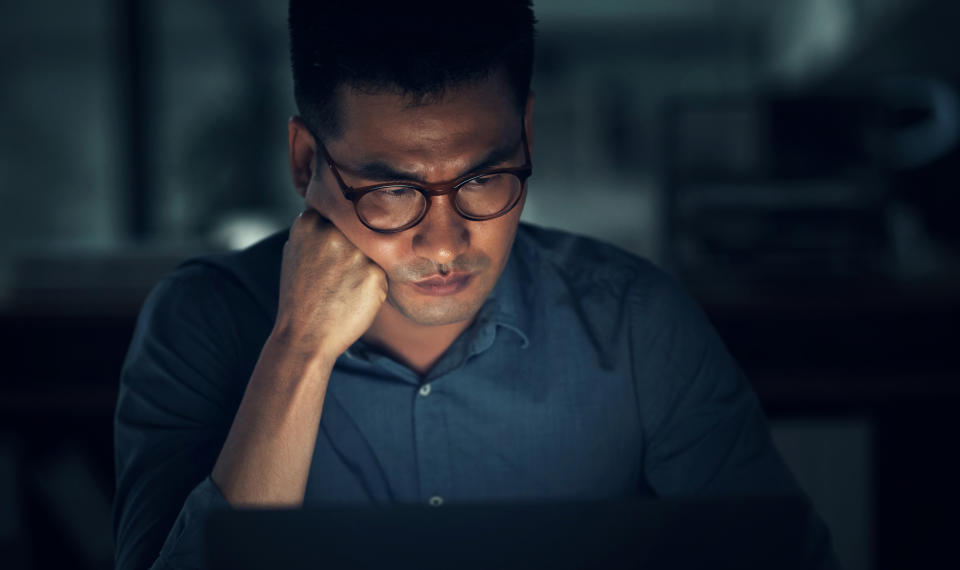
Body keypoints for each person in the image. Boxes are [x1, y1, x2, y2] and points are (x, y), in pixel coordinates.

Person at [113, 1, 836, 568]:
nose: (446, 242)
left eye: (485, 177)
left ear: (525, 134)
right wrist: (298, 348)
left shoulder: (636, 325)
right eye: (391, 189)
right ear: (306, 162)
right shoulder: (202, 321)